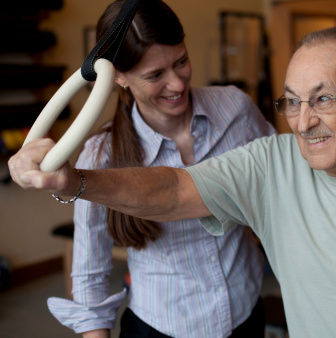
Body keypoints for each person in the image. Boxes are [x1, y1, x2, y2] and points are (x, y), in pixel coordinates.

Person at [9, 26, 336, 337]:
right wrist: (75, 179)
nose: (303, 122)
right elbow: (173, 190)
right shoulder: (270, 166)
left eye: (323, 99)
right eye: (291, 102)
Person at [41, 1, 276, 337]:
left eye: (181, 62)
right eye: (155, 75)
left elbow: (281, 184)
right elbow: (89, 275)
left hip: (246, 311)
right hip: (162, 325)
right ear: (118, 77)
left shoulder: (236, 109)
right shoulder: (100, 157)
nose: (177, 84)